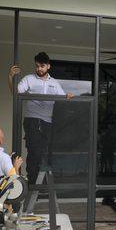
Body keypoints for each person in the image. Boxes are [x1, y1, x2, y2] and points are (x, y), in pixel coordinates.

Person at [8, 52, 73, 184]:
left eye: (42, 66)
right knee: (34, 151)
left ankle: (40, 184)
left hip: (47, 121)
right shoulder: (29, 79)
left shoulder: (54, 83)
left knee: (44, 152)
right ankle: (32, 183)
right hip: (32, 119)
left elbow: (64, 98)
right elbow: (15, 94)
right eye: (37, 66)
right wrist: (10, 77)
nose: (39, 69)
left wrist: (69, 96)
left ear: (48, 66)